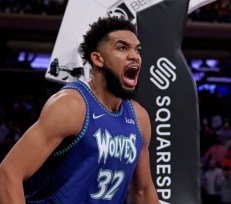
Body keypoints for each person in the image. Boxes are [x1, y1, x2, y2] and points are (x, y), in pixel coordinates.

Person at [0, 16, 159, 204]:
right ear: (98, 59)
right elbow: (9, 172)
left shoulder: (139, 117)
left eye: (137, 49)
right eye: (122, 47)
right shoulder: (71, 106)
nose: (135, 56)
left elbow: (143, 191)